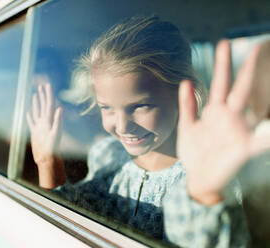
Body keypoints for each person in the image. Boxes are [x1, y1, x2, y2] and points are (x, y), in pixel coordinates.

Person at [27, 16, 269, 246]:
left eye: (140, 106)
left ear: (183, 96)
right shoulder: (108, 155)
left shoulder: (205, 174)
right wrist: (48, 162)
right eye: (107, 108)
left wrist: (203, 196)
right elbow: (71, 219)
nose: (121, 126)